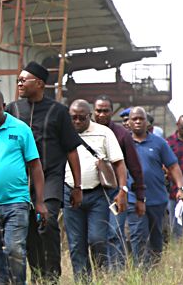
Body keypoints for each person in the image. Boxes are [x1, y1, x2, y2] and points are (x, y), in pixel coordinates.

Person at [5, 61, 83, 282]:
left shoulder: (58, 111)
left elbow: (71, 151)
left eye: (23, 80)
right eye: (18, 80)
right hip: (20, 181)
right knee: (28, 230)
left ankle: (51, 278)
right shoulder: (13, 109)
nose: (19, 83)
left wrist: (77, 187)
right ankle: (37, 276)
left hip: (50, 178)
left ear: (39, 83)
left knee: (46, 223)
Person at [0, 89, 46, 285]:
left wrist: (39, 201)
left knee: (15, 250)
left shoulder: (21, 128)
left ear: (4, 107)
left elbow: (35, 166)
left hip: (16, 201)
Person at [62, 99, 126, 280]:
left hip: (97, 194)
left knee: (97, 239)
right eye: (73, 118)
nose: (77, 122)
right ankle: (83, 281)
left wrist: (123, 190)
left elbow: (119, 163)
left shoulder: (104, 133)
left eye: (82, 118)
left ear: (89, 116)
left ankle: (101, 275)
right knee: (76, 244)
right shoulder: (63, 132)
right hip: (71, 194)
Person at [125, 106, 183, 265]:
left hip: (157, 199)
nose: (137, 122)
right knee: (138, 235)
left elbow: (173, 166)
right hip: (133, 199)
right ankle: (141, 272)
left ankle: (154, 268)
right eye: (134, 119)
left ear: (147, 123)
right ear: (129, 123)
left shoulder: (159, 143)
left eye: (141, 119)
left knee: (157, 237)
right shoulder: (123, 143)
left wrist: (180, 188)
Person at [93, 95, 146, 269]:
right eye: (98, 110)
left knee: (114, 232)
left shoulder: (122, 135)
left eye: (106, 110)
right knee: (97, 236)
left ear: (111, 111)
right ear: (93, 111)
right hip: (93, 193)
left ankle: (118, 272)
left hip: (117, 193)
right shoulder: (84, 133)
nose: (102, 114)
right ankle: (102, 272)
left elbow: (135, 168)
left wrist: (140, 197)